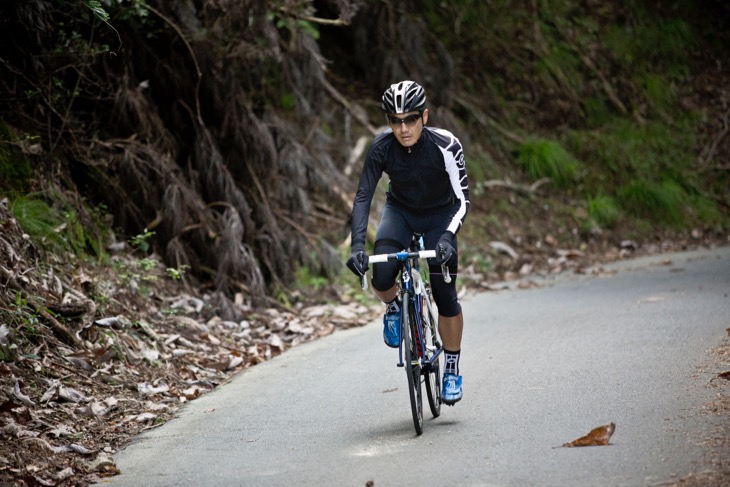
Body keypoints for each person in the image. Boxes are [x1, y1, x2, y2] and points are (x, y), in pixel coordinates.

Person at [346, 80, 470, 405]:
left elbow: (463, 200)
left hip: (441, 215)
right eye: (395, 120)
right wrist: (357, 246)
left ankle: (452, 366)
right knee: (382, 274)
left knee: (445, 293)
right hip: (400, 211)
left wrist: (447, 237)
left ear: (424, 117)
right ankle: (393, 305)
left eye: (410, 119)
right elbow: (362, 197)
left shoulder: (446, 145)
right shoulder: (381, 147)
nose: (403, 128)